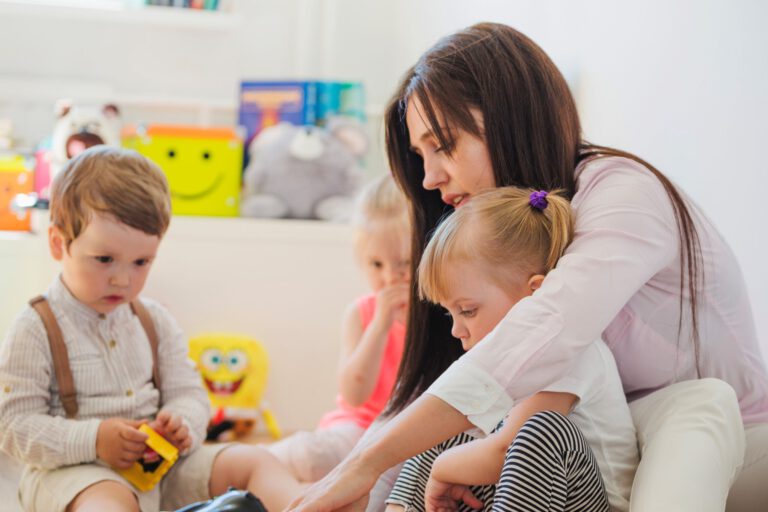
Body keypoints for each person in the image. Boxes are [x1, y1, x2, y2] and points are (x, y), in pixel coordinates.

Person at [288, 22, 767, 512]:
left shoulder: (624, 196)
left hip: (734, 443)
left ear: (509, 119)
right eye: (422, 156)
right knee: (443, 427)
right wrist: (356, 482)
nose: (430, 178)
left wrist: (362, 465)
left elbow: (546, 331)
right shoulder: (499, 248)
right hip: (603, 440)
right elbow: (438, 393)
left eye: (444, 145)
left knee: (697, 400)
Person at [0, 146, 302, 512]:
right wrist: (94, 440)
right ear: (58, 243)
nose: (123, 279)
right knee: (107, 503)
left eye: (141, 262)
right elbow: (13, 427)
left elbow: (191, 395)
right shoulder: (36, 327)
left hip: (161, 467)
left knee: (257, 462)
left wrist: (183, 423)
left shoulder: (154, 320)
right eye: (104, 259)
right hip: (73, 474)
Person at [385, 187, 637, 512]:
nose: (456, 330)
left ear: (533, 295)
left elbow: (503, 452)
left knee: (542, 430)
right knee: (441, 421)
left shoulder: (570, 351)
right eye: (450, 313)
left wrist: (442, 467)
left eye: (468, 310)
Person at [268, 173, 411, 483]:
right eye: (376, 265)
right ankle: (249, 466)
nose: (390, 278)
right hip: (356, 428)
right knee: (310, 454)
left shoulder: (441, 312)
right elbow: (354, 394)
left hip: (407, 439)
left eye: (403, 263)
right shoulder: (361, 313)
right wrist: (381, 324)